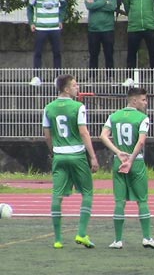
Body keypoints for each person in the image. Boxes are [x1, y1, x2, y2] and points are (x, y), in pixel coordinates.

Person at [99, 87, 154, 250]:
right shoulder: (142, 118)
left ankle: (117, 240)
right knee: (142, 200)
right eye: (143, 99)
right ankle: (147, 237)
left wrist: (118, 153)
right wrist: (131, 160)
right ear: (134, 100)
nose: (145, 102)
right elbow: (140, 142)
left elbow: (103, 136)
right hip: (136, 161)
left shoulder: (114, 116)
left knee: (120, 201)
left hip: (119, 161)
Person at [42, 74, 99, 249]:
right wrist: (93, 156)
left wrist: (54, 151)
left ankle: (58, 239)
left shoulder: (48, 108)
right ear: (66, 89)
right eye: (75, 85)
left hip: (59, 155)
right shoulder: (78, 107)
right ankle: (81, 233)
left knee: (57, 195)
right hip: (77, 154)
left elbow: (47, 135)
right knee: (87, 192)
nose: (77, 88)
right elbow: (83, 132)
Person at [27, 0, 67, 86]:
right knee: (38, 52)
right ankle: (37, 77)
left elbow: (64, 5)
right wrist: (31, 22)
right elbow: (30, 7)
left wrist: (60, 19)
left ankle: (58, 77)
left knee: (57, 52)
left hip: (54, 26)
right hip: (41, 27)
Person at [85, 0, 116, 79]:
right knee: (93, 55)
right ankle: (92, 78)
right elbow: (89, 6)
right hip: (93, 29)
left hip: (108, 28)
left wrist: (97, 3)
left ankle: (111, 78)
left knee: (109, 54)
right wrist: (104, 1)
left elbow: (112, 7)